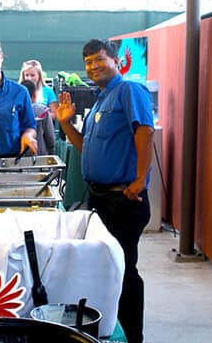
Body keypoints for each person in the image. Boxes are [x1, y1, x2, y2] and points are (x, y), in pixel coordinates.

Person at [57, 38, 154, 343]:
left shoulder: (128, 90)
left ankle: (133, 336)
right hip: (99, 197)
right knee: (106, 267)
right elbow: (86, 148)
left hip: (123, 198)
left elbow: (145, 130)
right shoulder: (100, 99)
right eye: (88, 62)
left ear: (115, 61)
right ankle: (110, 329)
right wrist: (66, 124)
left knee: (124, 269)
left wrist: (140, 179)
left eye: (100, 59)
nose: (94, 66)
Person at [22, 79, 55, 155]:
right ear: (34, 95)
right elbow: (51, 139)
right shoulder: (43, 111)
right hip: (39, 159)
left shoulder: (12, 111)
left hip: (17, 160)